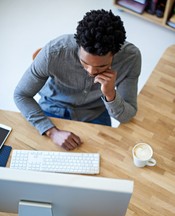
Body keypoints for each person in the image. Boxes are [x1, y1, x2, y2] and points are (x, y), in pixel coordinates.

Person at [14, 9, 141, 151]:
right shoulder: (54, 52)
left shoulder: (131, 58)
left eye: (102, 65)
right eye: (84, 62)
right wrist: (51, 131)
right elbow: (21, 95)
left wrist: (110, 94)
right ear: (78, 44)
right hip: (52, 107)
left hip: (95, 112)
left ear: (116, 53)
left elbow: (127, 116)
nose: (91, 72)